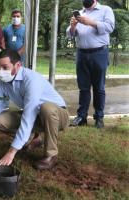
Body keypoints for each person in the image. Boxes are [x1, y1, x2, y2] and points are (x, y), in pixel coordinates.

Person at [0, 49, 69, 170]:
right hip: (35, 115)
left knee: (46, 108)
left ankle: (51, 156)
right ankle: (31, 138)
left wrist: (11, 152)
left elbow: (28, 117)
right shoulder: (2, 83)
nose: (0, 72)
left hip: (58, 115)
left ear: (18, 65)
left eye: (5, 67)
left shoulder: (31, 81)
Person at [66, 0, 115, 129]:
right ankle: (81, 117)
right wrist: (73, 26)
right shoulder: (79, 13)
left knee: (99, 87)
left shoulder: (105, 10)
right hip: (82, 54)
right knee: (83, 87)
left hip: (99, 53)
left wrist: (90, 23)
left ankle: (99, 117)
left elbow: (110, 27)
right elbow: (70, 34)